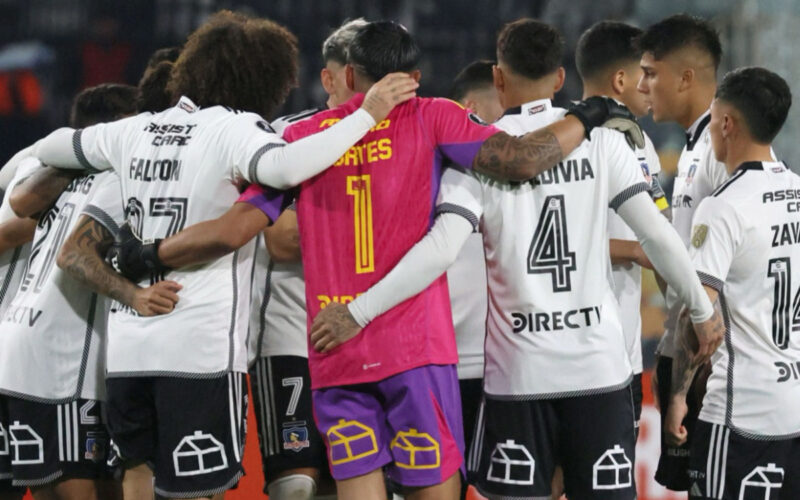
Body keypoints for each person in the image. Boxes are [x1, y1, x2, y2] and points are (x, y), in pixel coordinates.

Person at [311, 19, 722, 500]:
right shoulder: (605, 142)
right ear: (559, 79)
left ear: (498, 78)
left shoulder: (478, 156)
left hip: (519, 375)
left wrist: (357, 312)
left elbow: (439, 250)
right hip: (599, 370)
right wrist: (701, 308)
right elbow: (658, 236)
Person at [32, 11, 418, 500]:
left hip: (129, 347)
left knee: (138, 474)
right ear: (261, 78)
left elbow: (50, 146)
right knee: (197, 489)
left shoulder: (133, 132)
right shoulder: (236, 130)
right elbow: (286, 166)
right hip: (200, 346)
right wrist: (368, 115)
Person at [0, 83, 154, 500]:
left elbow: (16, 203)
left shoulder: (36, 164)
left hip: (29, 341)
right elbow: (29, 228)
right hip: (55, 355)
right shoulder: (93, 175)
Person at [249, 18, 367, 500]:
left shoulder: (408, 134)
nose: (366, 88)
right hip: (292, 328)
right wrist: (374, 222)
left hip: (369, 333)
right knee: (296, 483)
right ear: (329, 79)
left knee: (362, 478)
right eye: (354, 74)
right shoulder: (285, 136)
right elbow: (279, 240)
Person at [668, 67, 799, 499]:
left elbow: (699, 315)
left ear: (725, 124)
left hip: (743, 413)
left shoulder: (722, 206)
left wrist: (678, 395)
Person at [636, 14, 729, 491]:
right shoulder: (695, 145)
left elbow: (722, 274)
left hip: (714, 364)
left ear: (686, 77)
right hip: (691, 352)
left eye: (652, 73)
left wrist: (691, 374)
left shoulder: (721, 148)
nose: (643, 84)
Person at [576, 20, 670, 435]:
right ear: (620, 80)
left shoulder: (642, 143)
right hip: (581, 348)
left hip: (627, 350)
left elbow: (660, 222)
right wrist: (634, 250)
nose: (651, 86)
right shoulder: (571, 142)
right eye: (645, 74)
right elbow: (558, 242)